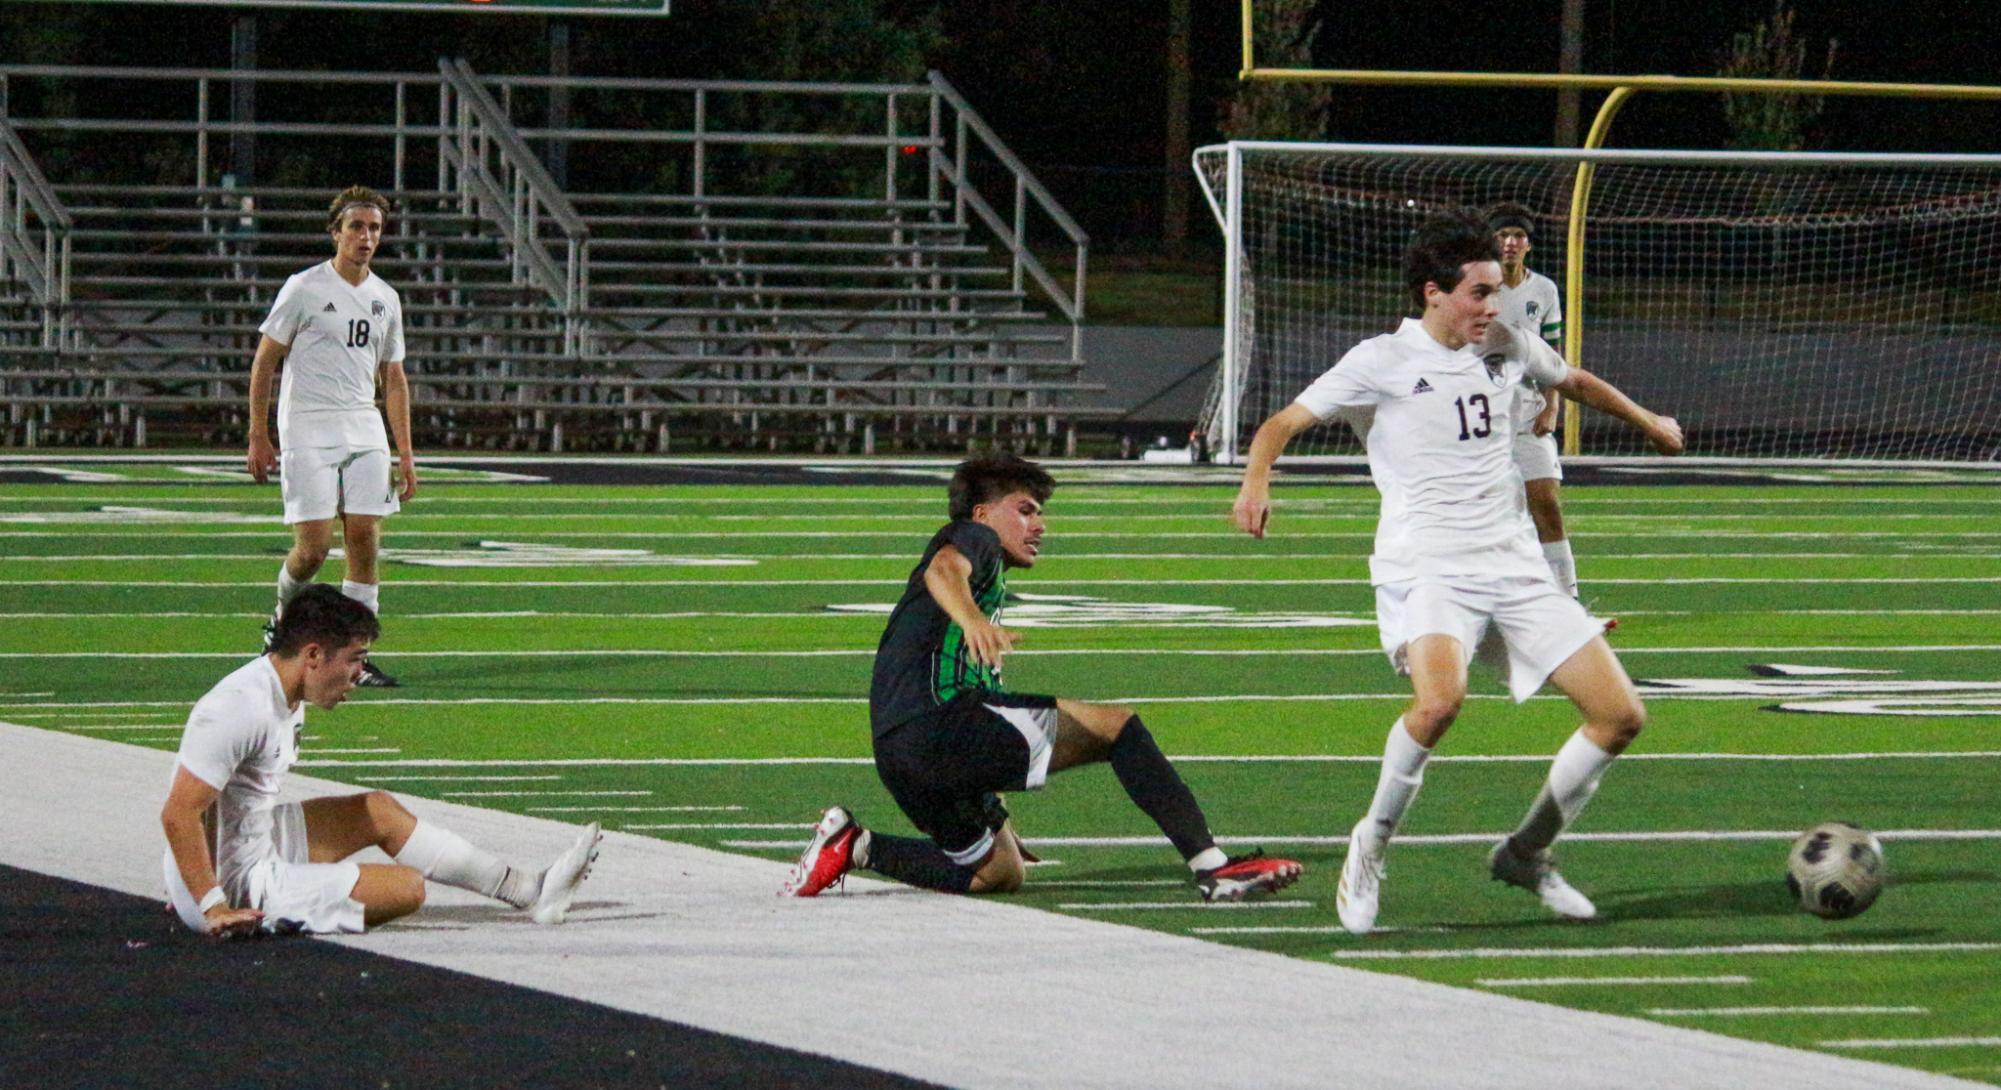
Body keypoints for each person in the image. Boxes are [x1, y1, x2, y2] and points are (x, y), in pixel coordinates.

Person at [1230, 209, 1683, 935]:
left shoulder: (1504, 340)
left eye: (1498, 290)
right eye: (1478, 292)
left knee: (1619, 715)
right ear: (1433, 293)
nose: (1493, 306)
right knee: (1439, 705)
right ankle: (1369, 846)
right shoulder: (1381, 360)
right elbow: (1281, 424)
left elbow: (1575, 378)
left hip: (1511, 561)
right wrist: (1256, 481)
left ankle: (1525, 853)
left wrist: (1647, 421)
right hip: (1427, 564)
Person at [783, 453, 1302, 902]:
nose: (1040, 525)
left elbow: (974, 690)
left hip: (901, 755)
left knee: (998, 873)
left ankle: (856, 844)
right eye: (1025, 510)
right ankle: (1214, 869)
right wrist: (972, 620)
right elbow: (943, 569)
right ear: (985, 512)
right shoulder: (976, 537)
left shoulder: (983, 575)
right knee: (1118, 729)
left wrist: (993, 790)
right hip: (936, 727)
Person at [159, 584, 602, 937]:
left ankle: (529, 890)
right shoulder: (241, 706)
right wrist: (210, 902)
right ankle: (264, 907)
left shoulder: (283, 684)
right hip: (238, 882)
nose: (360, 674)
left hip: (241, 846)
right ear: (313, 654)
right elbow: (179, 812)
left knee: (377, 812)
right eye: (355, 660)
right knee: (407, 889)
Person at [246, 185, 415, 687]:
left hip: (363, 425)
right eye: (357, 227)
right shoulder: (304, 288)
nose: (366, 237)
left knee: (364, 538)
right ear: (335, 232)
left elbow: (395, 377)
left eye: (375, 229)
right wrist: (258, 433)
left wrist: (405, 451)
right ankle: (282, 620)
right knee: (313, 549)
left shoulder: (386, 298)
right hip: (307, 426)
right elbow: (265, 362)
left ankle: (355, 658)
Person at [1488, 202, 1580, 597]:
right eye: (1503, 235)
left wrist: (1553, 405)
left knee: (1546, 503)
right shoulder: (1475, 286)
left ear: (1528, 244)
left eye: (1518, 236)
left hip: (1529, 413)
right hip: (1484, 417)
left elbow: (1554, 353)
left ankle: (1568, 598)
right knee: (1491, 515)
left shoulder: (1543, 290)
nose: (1510, 243)